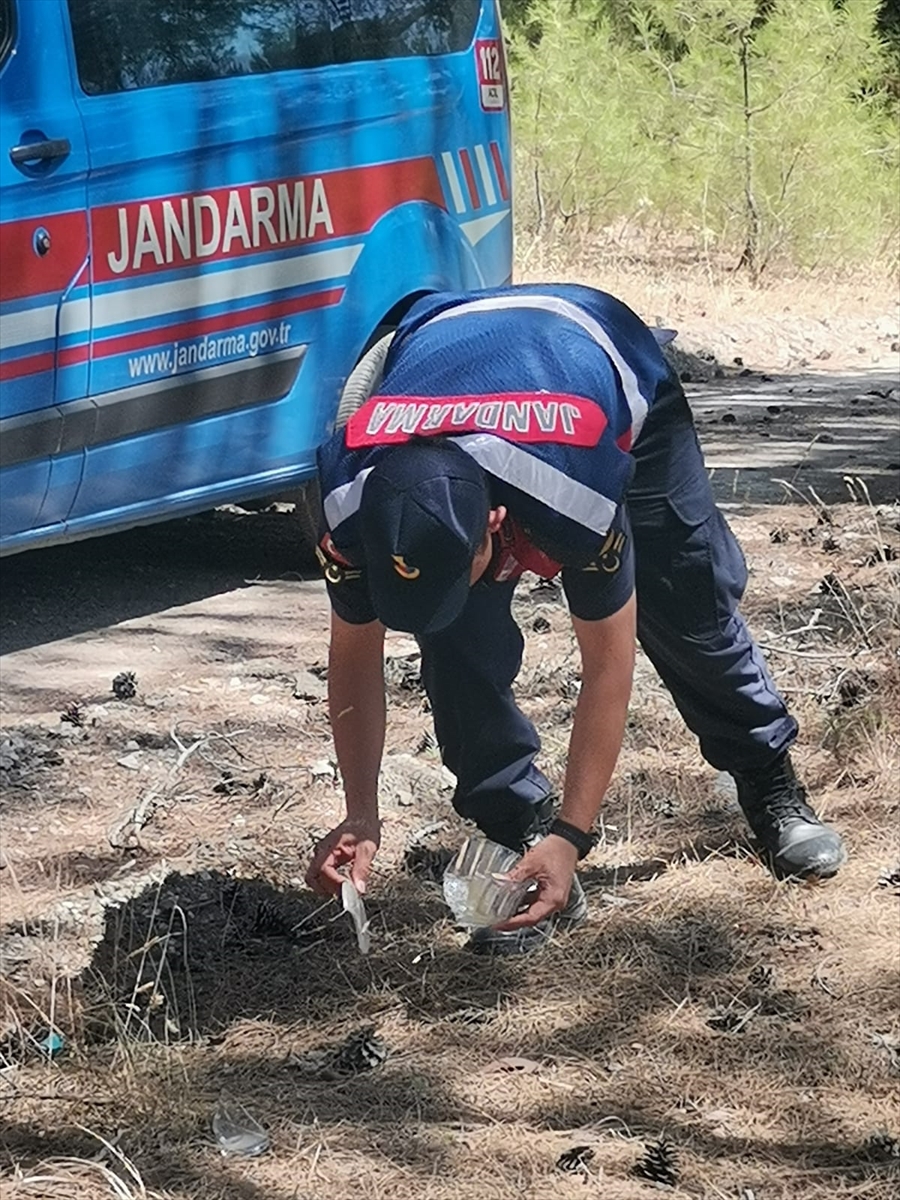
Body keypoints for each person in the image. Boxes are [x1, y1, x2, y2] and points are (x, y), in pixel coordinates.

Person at [304, 283, 845, 954]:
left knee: (684, 609)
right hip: (446, 350)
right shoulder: (346, 502)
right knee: (455, 640)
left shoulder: (573, 490)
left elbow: (608, 664)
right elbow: (354, 653)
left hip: (597, 355)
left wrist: (575, 834)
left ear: (497, 527)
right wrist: (361, 813)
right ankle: (516, 829)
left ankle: (768, 781)